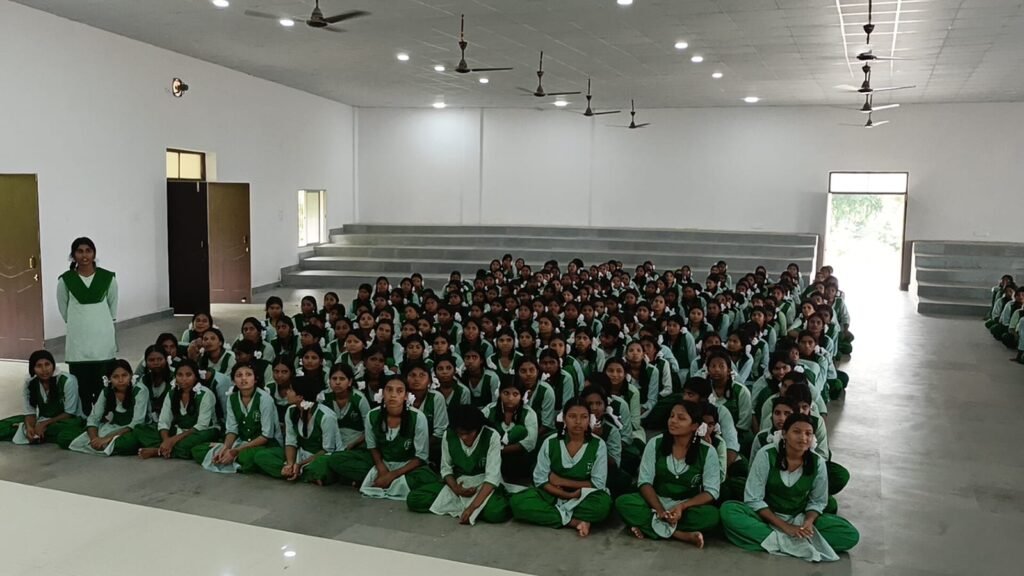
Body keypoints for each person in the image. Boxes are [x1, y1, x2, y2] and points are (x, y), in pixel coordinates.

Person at [720, 413, 859, 562]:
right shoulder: (766, 455)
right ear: (784, 434)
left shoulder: (817, 462)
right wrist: (785, 527)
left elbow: (818, 501)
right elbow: (753, 499)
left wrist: (808, 522)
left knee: (850, 534)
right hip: (765, 517)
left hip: (798, 518)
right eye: (797, 432)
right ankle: (799, 545)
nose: (803, 438)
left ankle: (774, 541)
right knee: (729, 511)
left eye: (808, 433)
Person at [615, 399, 721, 547]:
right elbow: (644, 482)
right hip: (655, 502)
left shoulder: (707, 451)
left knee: (712, 516)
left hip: (686, 507)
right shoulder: (655, 443)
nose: (673, 421)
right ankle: (680, 535)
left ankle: (649, 527)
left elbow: (711, 492)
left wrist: (682, 507)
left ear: (694, 426)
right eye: (671, 416)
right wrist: (660, 510)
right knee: (624, 503)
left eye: (681, 418)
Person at [509, 397, 612, 537]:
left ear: (589, 420)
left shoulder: (598, 445)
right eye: (572, 416)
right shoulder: (550, 442)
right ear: (563, 419)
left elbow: (598, 483)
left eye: (584, 417)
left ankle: (553, 514)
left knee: (602, 506)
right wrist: (566, 495)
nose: (578, 422)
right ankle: (574, 521)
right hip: (552, 494)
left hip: (582, 496)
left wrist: (562, 481)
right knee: (518, 503)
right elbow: (540, 480)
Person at [325, 375, 439, 500]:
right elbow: (372, 447)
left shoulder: (418, 417)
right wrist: (382, 469)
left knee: (428, 477)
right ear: (382, 393)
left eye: (399, 391)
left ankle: (378, 483)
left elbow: (421, 457)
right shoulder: (372, 415)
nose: (393, 395)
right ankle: (390, 484)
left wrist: (392, 475)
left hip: (408, 467)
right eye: (389, 390)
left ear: (406, 396)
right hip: (381, 463)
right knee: (336, 459)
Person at [407, 404, 511, 524]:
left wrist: (472, 507)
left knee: (496, 512)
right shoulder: (449, 435)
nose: (464, 437)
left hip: (483, 485)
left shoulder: (492, 436)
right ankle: (474, 511)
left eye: (468, 433)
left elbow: (492, 478)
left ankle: (473, 509)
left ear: (477, 428)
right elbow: (446, 469)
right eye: (460, 433)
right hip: (458, 484)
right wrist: (456, 489)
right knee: (414, 499)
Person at [57, 237, 118, 415]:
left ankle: (104, 415)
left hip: (102, 337)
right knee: (81, 384)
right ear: (73, 255)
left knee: (103, 383)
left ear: (94, 253)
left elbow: (112, 306)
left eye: (88, 251)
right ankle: (83, 416)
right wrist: (79, 323)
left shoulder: (108, 278)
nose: (84, 255)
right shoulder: (66, 280)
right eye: (80, 251)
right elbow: (64, 309)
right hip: (79, 341)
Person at [192, 363, 281, 473]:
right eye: (239, 375)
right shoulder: (232, 398)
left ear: (255, 379)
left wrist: (235, 451)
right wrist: (225, 448)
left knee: (247, 457)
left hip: (264, 445)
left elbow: (266, 436)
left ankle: (237, 459)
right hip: (241, 443)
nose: (243, 378)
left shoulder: (264, 399)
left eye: (248, 374)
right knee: (198, 450)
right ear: (233, 380)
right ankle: (235, 461)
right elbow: (232, 430)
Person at [253, 375, 339, 485]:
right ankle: (296, 472)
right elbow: (290, 442)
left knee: (322, 465)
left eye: (290, 390)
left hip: (319, 457)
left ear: (300, 397)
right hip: (300, 454)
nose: (287, 392)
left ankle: (297, 472)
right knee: (261, 456)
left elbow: (327, 450)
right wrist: (290, 463)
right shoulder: (291, 411)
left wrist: (300, 464)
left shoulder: (326, 416)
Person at [137, 359, 220, 460]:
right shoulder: (172, 393)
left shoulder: (206, 394)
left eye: (188, 375)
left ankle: (158, 451)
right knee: (140, 429)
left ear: (195, 377)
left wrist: (172, 440)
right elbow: (164, 421)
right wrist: (167, 440)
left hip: (202, 432)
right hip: (179, 431)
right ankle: (167, 448)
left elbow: (202, 425)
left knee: (189, 443)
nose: (184, 379)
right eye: (180, 375)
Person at [0, 350, 85, 446]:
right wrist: (29, 427)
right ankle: (34, 434)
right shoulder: (30, 382)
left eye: (47, 364)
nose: (44, 369)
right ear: (33, 368)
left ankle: (27, 432)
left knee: (64, 435)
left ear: (53, 365)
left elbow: (70, 413)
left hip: (67, 421)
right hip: (42, 420)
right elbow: (29, 412)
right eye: (39, 366)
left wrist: (44, 424)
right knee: (4, 425)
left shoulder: (67, 380)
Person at [67, 360, 149, 456]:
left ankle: (108, 445)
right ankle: (105, 446)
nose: (121, 380)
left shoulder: (140, 390)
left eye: (124, 375)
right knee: (66, 437)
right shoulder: (107, 391)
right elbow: (94, 418)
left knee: (127, 443)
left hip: (130, 430)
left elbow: (137, 422)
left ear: (131, 376)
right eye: (115, 377)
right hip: (111, 428)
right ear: (109, 378)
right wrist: (94, 439)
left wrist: (107, 438)